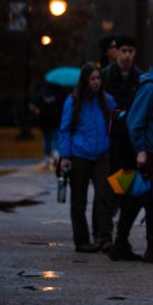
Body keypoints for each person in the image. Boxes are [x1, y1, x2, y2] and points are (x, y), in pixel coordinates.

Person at [109, 64, 153, 264]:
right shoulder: (151, 87)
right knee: (151, 200)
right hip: (146, 154)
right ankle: (151, 248)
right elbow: (135, 121)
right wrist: (141, 150)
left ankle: (122, 245)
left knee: (136, 199)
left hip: (146, 152)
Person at [57, 63, 116, 252]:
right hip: (80, 154)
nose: (96, 82)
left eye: (99, 78)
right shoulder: (73, 101)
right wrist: (65, 156)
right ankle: (81, 240)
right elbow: (65, 129)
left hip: (102, 155)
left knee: (104, 196)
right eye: (92, 79)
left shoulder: (107, 100)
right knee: (79, 200)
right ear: (85, 80)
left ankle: (105, 238)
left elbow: (115, 128)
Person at [102, 34, 141, 110]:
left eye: (130, 51)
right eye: (124, 51)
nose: (127, 55)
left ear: (135, 52)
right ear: (117, 51)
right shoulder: (105, 74)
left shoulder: (140, 77)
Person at [30, 84, 63, 169]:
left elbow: (32, 106)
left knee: (47, 140)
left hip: (45, 122)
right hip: (54, 122)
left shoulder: (41, 96)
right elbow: (61, 107)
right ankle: (55, 154)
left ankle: (48, 157)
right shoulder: (58, 96)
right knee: (55, 139)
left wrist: (38, 113)